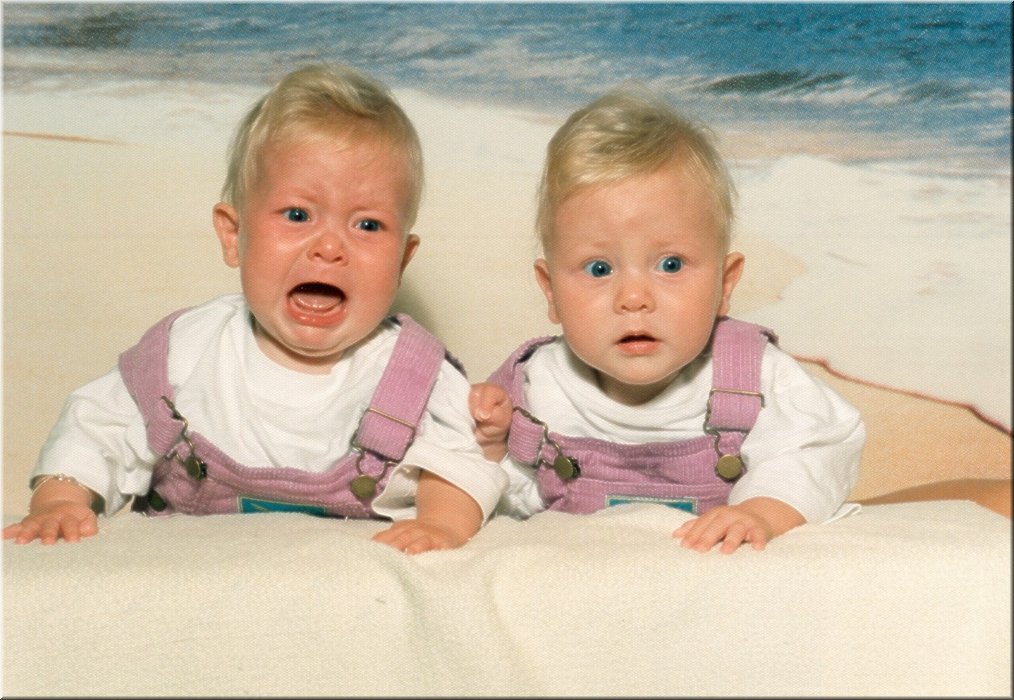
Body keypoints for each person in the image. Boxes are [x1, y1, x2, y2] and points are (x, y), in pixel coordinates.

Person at [4, 64, 506, 553]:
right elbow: (100, 427)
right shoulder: (188, 348)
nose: (330, 247)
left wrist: (440, 524)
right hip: (189, 573)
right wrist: (62, 500)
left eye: (368, 225)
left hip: (341, 587)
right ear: (234, 235)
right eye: (298, 214)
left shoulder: (414, 374)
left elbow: (457, 463)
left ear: (402, 261)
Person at [469, 86, 866, 554]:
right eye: (599, 269)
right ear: (551, 291)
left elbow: (819, 449)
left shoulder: (753, 376)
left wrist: (762, 511)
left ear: (725, 284)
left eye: (670, 265)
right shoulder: (536, 385)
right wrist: (491, 451)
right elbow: (515, 496)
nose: (633, 298)